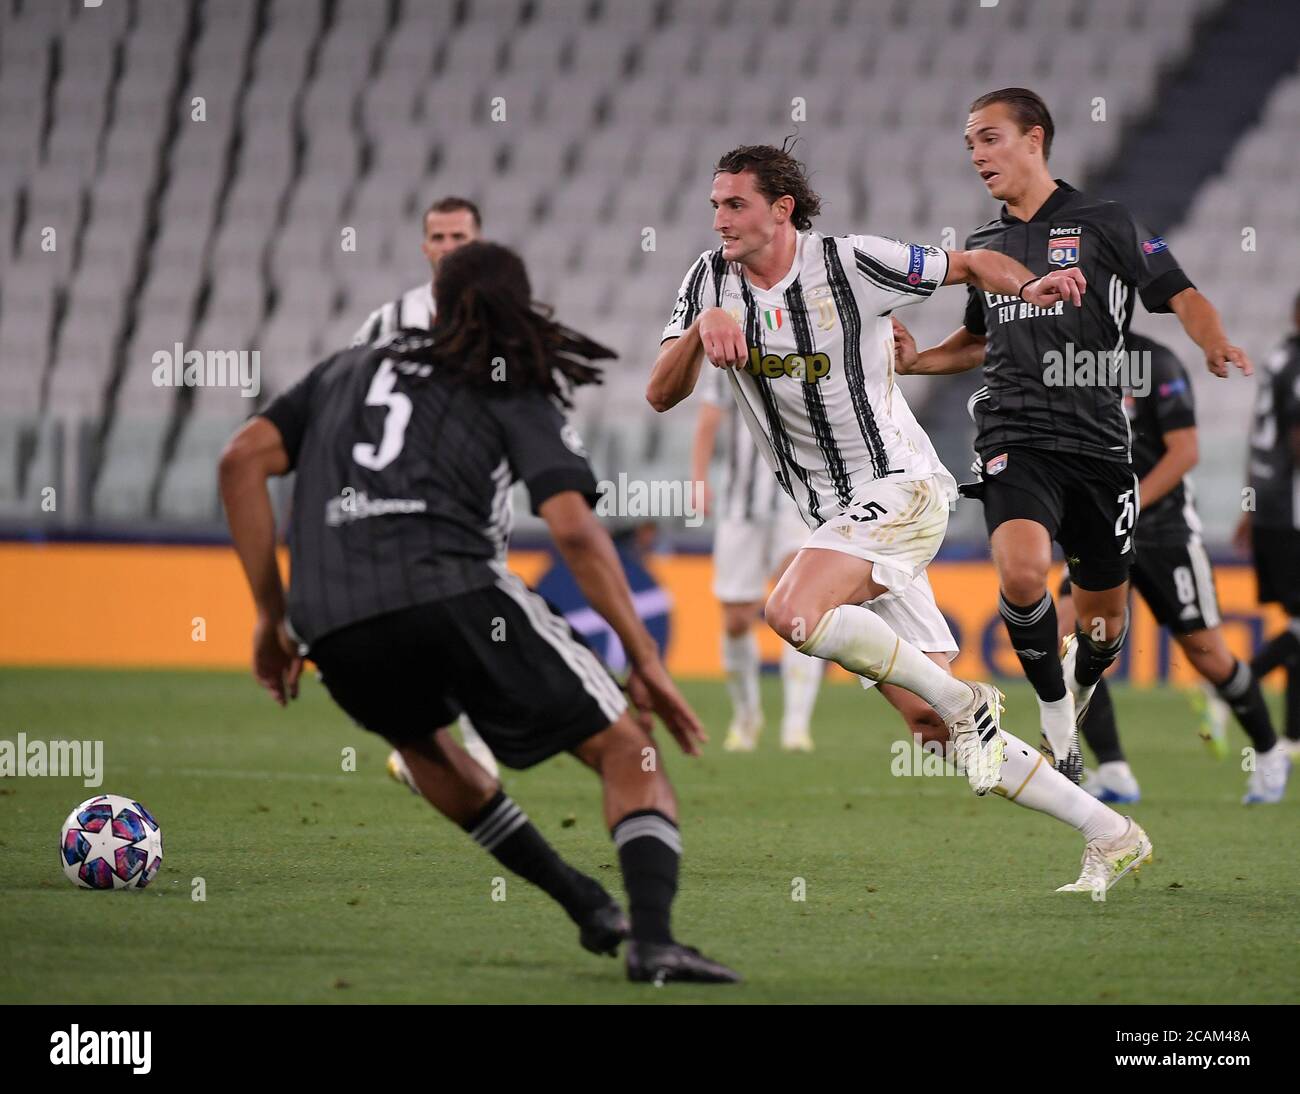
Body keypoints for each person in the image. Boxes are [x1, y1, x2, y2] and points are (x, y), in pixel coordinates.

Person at [220, 241, 738, 984]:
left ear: (435, 306)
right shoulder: (509, 377)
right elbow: (572, 526)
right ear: (520, 309)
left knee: (428, 749)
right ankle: (652, 940)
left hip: (331, 615)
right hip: (451, 588)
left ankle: (583, 902)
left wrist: (273, 619)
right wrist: (645, 662)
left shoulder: (345, 367)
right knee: (630, 750)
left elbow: (239, 461)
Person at [648, 142, 1150, 895]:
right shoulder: (708, 278)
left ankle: (967, 700)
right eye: (715, 203)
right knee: (927, 727)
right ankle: (1110, 832)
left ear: (781, 209)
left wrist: (1034, 284)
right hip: (835, 517)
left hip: (900, 487)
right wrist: (700, 329)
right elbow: (660, 394)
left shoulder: (854, 263)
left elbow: (975, 267)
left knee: (790, 611)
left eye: (735, 204)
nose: (719, 218)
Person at [895, 87, 1252, 789]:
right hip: (1013, 431)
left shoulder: (1106, 221)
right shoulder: (984, 244)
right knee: (1024, 575)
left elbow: (1182, 292)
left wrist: (1214, 341)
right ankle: (1057, 717)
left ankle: (1076, 682)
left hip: (1097, 445)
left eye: (989, 138)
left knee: (1102, 631)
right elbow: (976, 339)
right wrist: (918, 361)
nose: (976, 154)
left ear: (1034, 139)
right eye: (970, 143)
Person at [1048, 331, 1288, 805]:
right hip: (1099, 532)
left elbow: (1185, 452)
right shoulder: (1064, 357)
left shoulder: (1156, 363)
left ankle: (1267, 749)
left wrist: (1128, 503)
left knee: (1208, 655)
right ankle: (1115, 769)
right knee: (1072, 646)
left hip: (1164, 530)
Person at [349, 195, 499, 780]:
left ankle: (470, 755)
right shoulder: (388, 322)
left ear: (478, 244)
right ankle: (439, 749)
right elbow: (348, 395)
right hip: (403, 499)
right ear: (424, 246)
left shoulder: (505, 321)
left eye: (460, 238)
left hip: (478, 502)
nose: (449, 249)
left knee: (474, 619)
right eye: (439, 238)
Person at [691, 365, 823, 751]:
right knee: (735, 619)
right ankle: (747, 716)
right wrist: (698, 480)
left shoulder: (808, 346)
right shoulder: (730, 352)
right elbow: (709, 417)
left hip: (796, 502)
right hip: (740, 506)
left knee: (800, 607)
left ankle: (796, 726)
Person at [1237, 290, 1300, 757]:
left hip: (1270, 505)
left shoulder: (1280, 359)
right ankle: (1237, 685)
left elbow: (1264, 437)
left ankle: (1294, 735)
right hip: (1290, 508)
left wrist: (1248, 504)